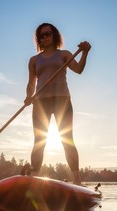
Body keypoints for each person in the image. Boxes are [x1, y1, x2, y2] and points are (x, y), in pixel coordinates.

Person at [24, 23, 91, 185]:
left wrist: (85, 52)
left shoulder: (65, 55)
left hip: (62, 100)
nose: (45, 37)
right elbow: (31, 82)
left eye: (48, 34)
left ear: (54, 35)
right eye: (41, 35)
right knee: (39, 141)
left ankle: (77, 182)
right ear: (38, 39)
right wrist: (28, 96)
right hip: (41, 103)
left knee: (67, 139)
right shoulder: (34, 60)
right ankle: (34, 180)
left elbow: (79, 69)